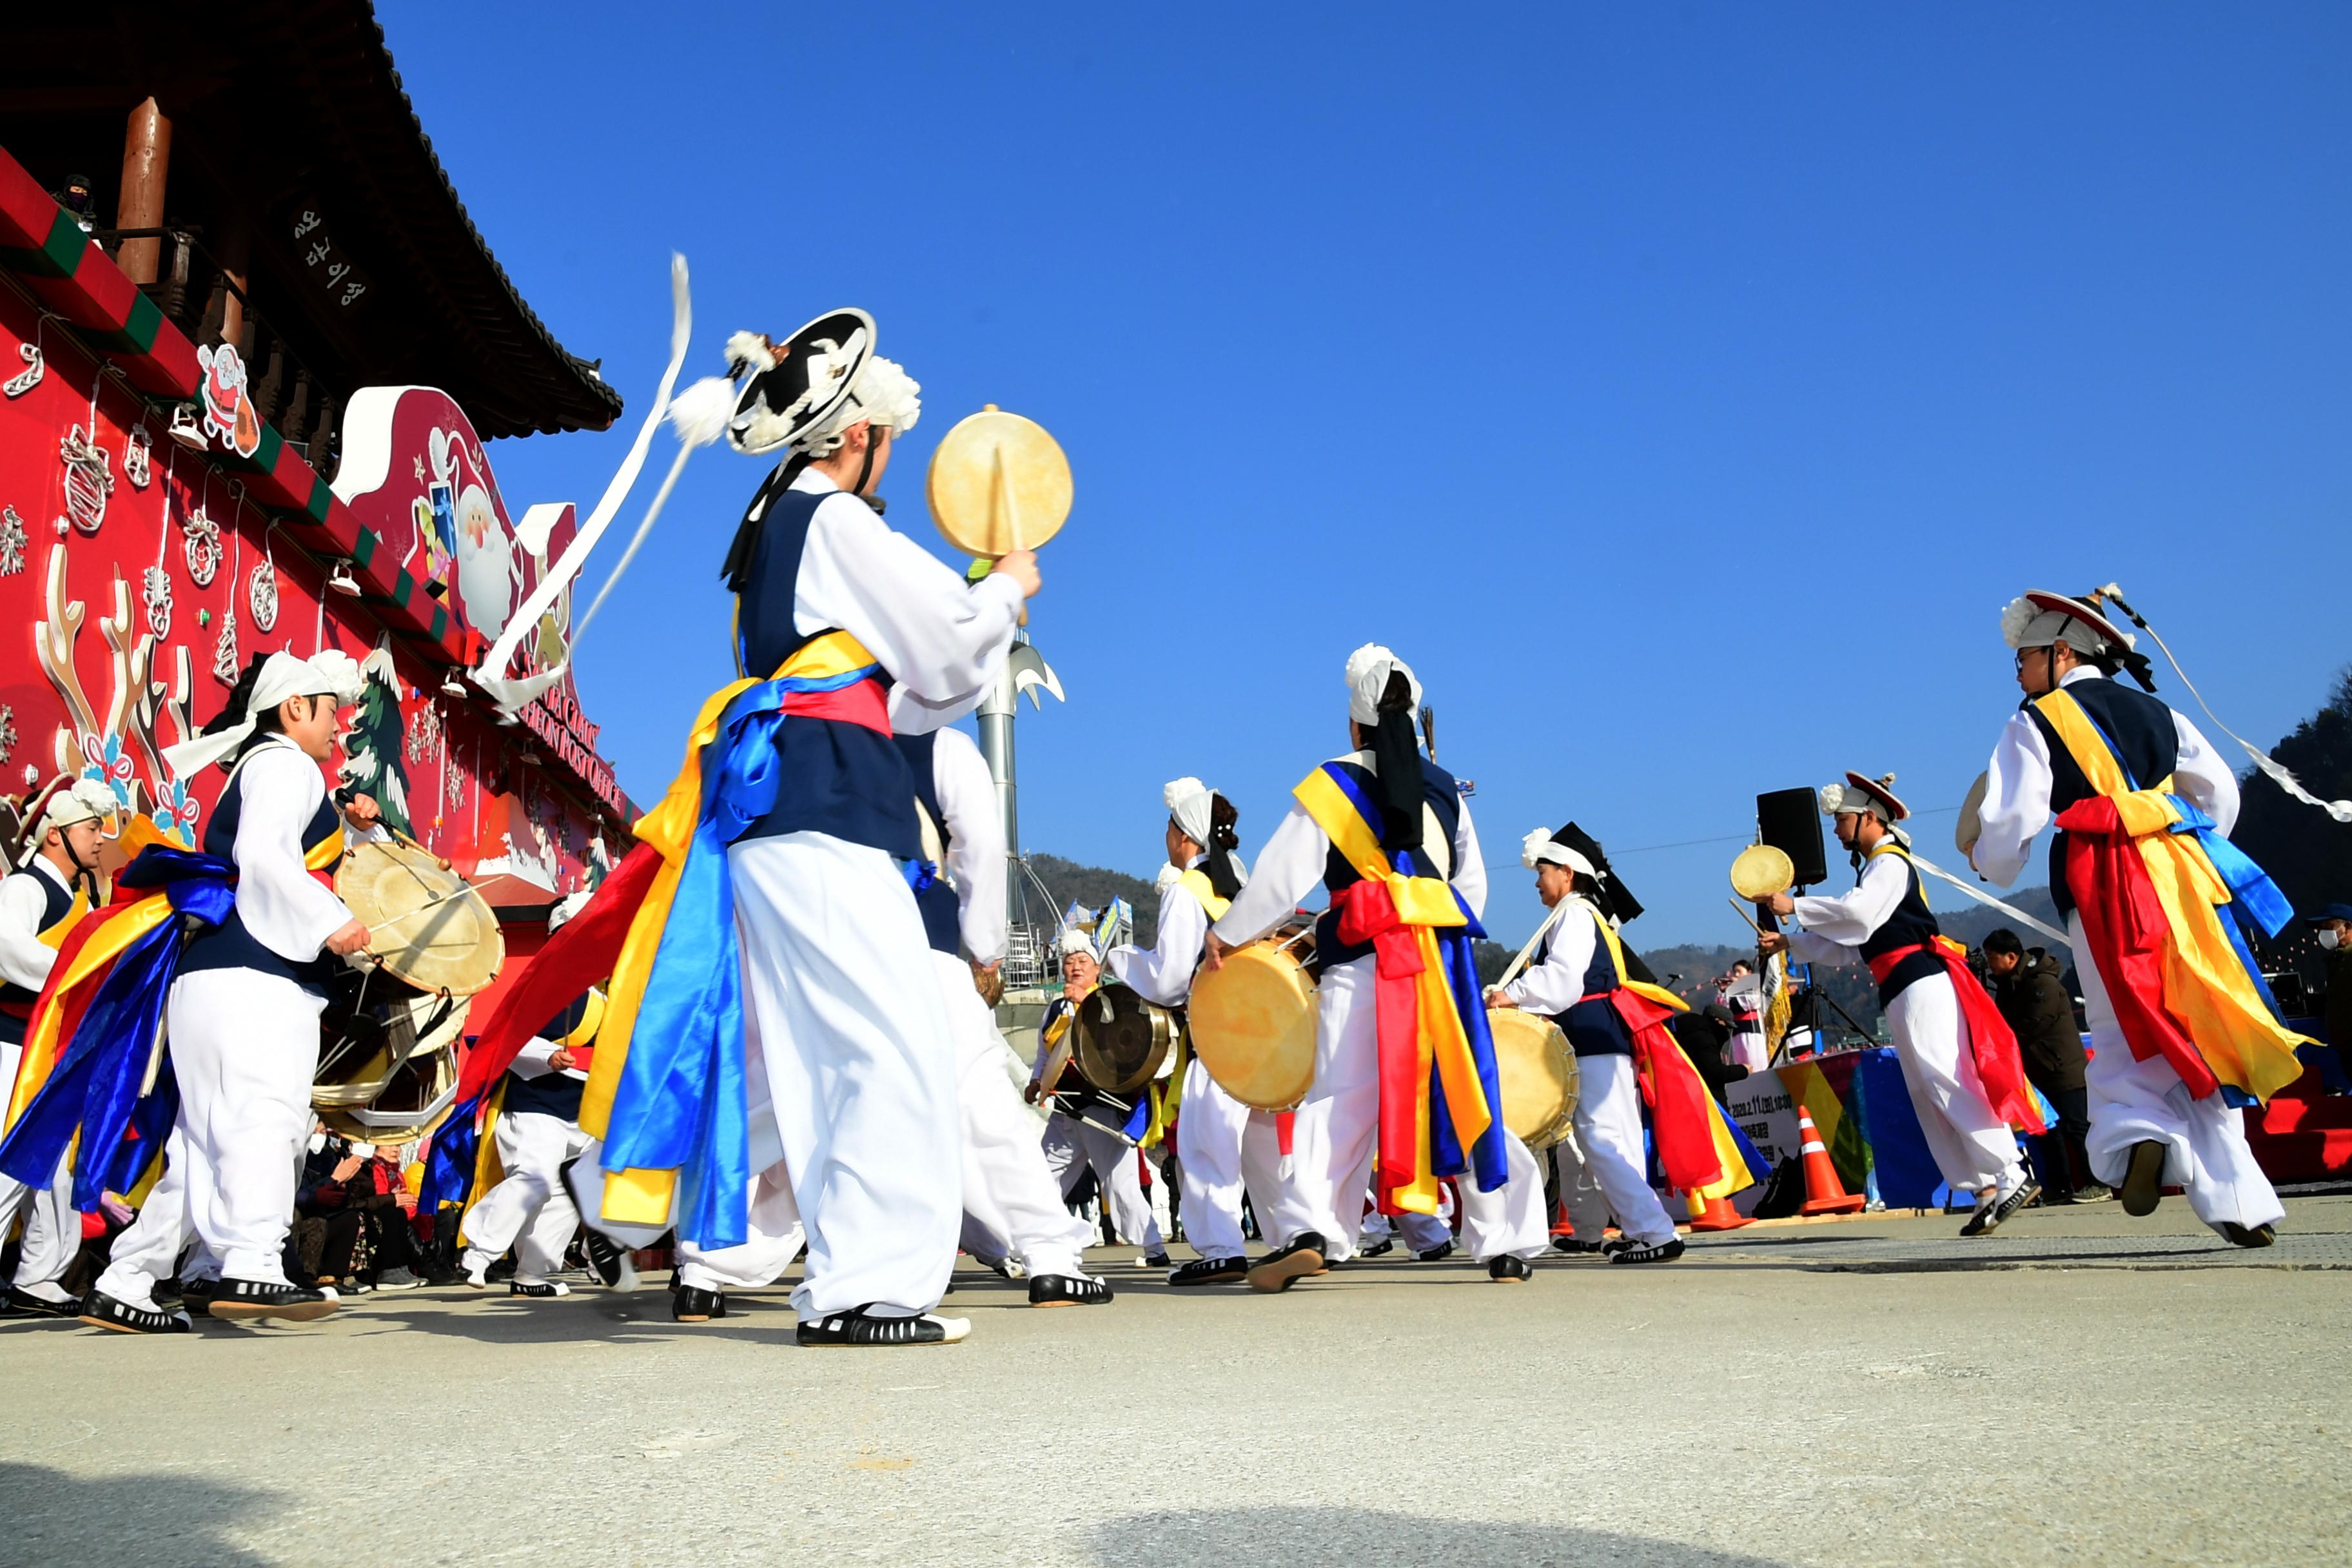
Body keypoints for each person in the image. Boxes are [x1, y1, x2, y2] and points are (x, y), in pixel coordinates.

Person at [559, 312, 1036, 1348]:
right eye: (887, 441)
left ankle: (837, 1274)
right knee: (885, 1043)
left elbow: (903, 693)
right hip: (823, 805)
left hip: (788, 804)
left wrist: (977, 621)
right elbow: (949, 650)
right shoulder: (834, 519)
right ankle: (870, 1287)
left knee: (816, 1053)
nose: (890, 461)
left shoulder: (774, 534)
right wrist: (1005, 587)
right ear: (856, 432)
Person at [1966, 591, 2306, 1245]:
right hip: (2182, 874)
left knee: (2126, 1020)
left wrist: (1987, 858)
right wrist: (2171, 829)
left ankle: (2141, 1132)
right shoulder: (2160, 710)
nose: (2018, 673)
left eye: (2025, 658)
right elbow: (2220, 793)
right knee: (2197, 1019)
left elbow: (2009, 828)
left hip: (2103, 879)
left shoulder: (2035, 721)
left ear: (2061, 653)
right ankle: (2242, 1198)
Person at [1206, 644, 1546, 1289]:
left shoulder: (1334, 782)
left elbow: (1279, 879)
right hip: (1442, 965)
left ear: (1354, 724)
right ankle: (1500, 1241)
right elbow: (1472, 890)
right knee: (1464, 1092)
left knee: (1341, 1097)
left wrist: (1226, 933)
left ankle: (1315, 1228)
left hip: (1362, 960)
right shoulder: (1447, 790)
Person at [81, 650, 378, 1331]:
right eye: (330, 708)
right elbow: (267, 853)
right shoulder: (285, 762)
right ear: (294, 707)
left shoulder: (266, 766)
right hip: (253, 977)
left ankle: (128, 1277)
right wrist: (331, 919)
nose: (339, 724)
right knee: (263, 1116)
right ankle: (254, 1260)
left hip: (216, 975)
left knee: (204, 1141)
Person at [1758, 772, 2042, 1237]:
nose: (1836, 829)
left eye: (1842, 820)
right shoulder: (1874, 868)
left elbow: (1858, 915)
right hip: (1900, 984)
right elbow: (1856, 945)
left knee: (1945, 1076)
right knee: (1926, 1090)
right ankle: (1984, 1187)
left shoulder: (1889, 863)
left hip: (1920, 980)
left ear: (1869, 818)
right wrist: (1791, 943)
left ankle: (2011, 1168)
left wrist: (1797, 909)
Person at [896, 713, 1107, 1307]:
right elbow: (983, 849)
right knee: (982, 1108)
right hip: (924, 948)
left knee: (786, 1111)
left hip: (827, 956)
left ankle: (704, 1266)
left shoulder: (796, 733)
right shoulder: (938, 745)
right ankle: (1048, 1253)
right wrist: (986, 947)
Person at [1104, 778, 1280, 1286]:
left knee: (1207, 1145)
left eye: (1170, 827)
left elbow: (1170, 979)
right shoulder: (1240, 892)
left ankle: (1221, 1248)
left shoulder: (1186, 893)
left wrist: (1121, 958)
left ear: (1185, 838)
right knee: (1261, 1150)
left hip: (1217, 1040)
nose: (1167, 836)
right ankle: (1294, 1238)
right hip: (1262, 1037)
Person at [1487, 828, 1689, 1265]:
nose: (1537, 882)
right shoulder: (1582, 912)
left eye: (1543, 872)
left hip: (1592, 1035)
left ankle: (1655, 1231)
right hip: (1597, 1034)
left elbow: (1561, 981)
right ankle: (1642, 1228)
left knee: (1601, 1137)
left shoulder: (1574, 913)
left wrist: (1510, 994)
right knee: (1613, 1137)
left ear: (1567, 872)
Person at [0, 778, 112, 1318]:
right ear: (54, 837)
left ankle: (40, 1275)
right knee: (11, 1158)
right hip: (13, 1042)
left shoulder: (84, 898)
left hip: (58, 1049)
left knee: (55, 1165)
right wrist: (82, 972)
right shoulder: (26, 888)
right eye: (90, 829)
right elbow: (10, 950)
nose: (99, 839)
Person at [458, 937, 603, 1299]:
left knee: (570, 1195)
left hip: (585, 1110)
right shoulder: (542, 987)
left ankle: (532, 1273)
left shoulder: (609, 995)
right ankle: (477, 1254)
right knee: (535, 1180)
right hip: (537, 1105)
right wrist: (548, 1055)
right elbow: (502, 1036)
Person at [1028, 933, 1169, 1268]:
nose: (1075, 968)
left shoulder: (1109, 1000)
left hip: (1100, 1105)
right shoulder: (1053, 1009)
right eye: (1069, 962)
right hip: (1065, 1108)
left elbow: (1116, 1042)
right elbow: (1044, 1054)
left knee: (1119, 1183)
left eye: (1082, 962)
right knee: (1041, 1178)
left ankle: (1154, 1248)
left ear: (1096, 969)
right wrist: (1037, 1080)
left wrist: (1083, 1004)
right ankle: (1028, 1242)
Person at [1979, 927, 2104, 1203]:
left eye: (1992, 957)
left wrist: (2002, 1043)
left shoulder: (2042, 983)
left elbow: (2031, 1025)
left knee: (2077, 1127)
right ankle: (2060, 1186)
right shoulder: (2010, 984)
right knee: (2046, 1131)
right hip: (2037, 1071)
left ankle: (2098, 1183)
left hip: (2061, 1068)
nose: (1989, 963)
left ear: (2011, 957)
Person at [2306, 903, 2352, 1094]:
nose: (2323, 933)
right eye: (2321, 928)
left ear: (2348, 927)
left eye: (2328, 927)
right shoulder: (2338, 960)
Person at [1718, 961, 1769, 1073]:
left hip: (1752, 1028)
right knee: (1741, 1064)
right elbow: (1723, 1007)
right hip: (1737, 1029)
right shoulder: (1732, 990)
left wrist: (1738, 988)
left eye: (1739, 972)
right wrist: (1724, 991)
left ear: (1749, 973)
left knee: (1755, 1063)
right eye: (1735, 972)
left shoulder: (1755, 986)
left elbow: (1755, 1002)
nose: (1736, 975)